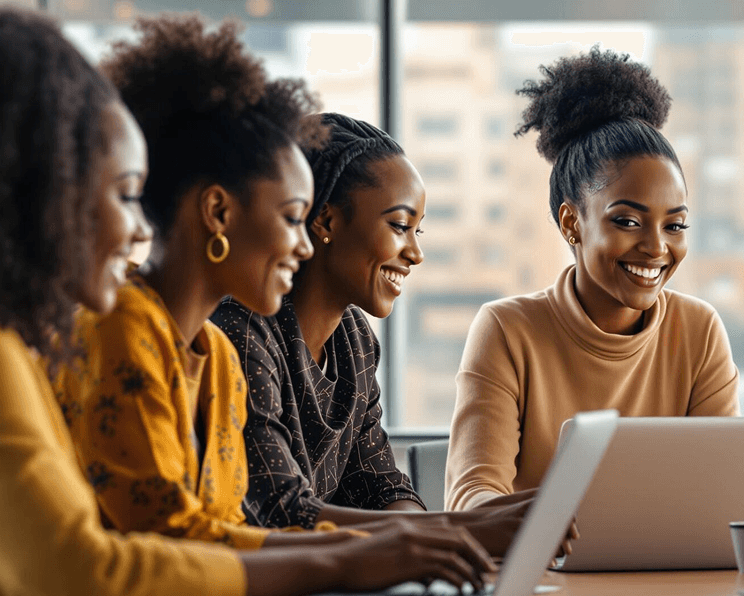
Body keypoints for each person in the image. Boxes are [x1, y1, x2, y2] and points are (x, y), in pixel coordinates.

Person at [0, 8, 493, 596]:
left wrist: (364, 551)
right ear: (34, 191)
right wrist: (345, 561)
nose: (136, 230)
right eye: (125, 195)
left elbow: (201, 536)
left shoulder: (0, 345)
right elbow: (80, 569)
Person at [51, 13, 491, 568]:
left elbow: (230, 528)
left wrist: (415, 544)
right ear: (218, 212)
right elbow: (174, 538)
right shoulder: (131, 330)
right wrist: (368, 555)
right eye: (291, 217)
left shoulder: (214, 360)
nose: (304, 244)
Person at [211, 112, 535, 555]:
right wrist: (461, 530)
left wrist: (438, 550)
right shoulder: (242, 329)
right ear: (324, 220)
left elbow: (380, 487)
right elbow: (280, 510)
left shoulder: (354, 339)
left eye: (417, 231)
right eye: (400, 227)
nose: (415, 254)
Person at [445, 47, 740, 511]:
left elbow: (725, 494)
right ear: (571, 223)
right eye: (627, 221)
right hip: (544, 577)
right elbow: (472, 500)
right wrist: (566, 517)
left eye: (675, 225)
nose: (657, 247)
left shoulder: (699, 330)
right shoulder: (506, 330)